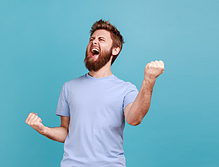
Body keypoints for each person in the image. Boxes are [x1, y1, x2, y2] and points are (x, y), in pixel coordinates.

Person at [25, 19, 164, 167]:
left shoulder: (126, 89)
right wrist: (43, 129)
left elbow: (134, 119)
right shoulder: (69, 87)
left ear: (115, 50)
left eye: (101, 39)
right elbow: (66, 132)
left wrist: (148, 81)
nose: (94, 42)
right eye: (92, 39)